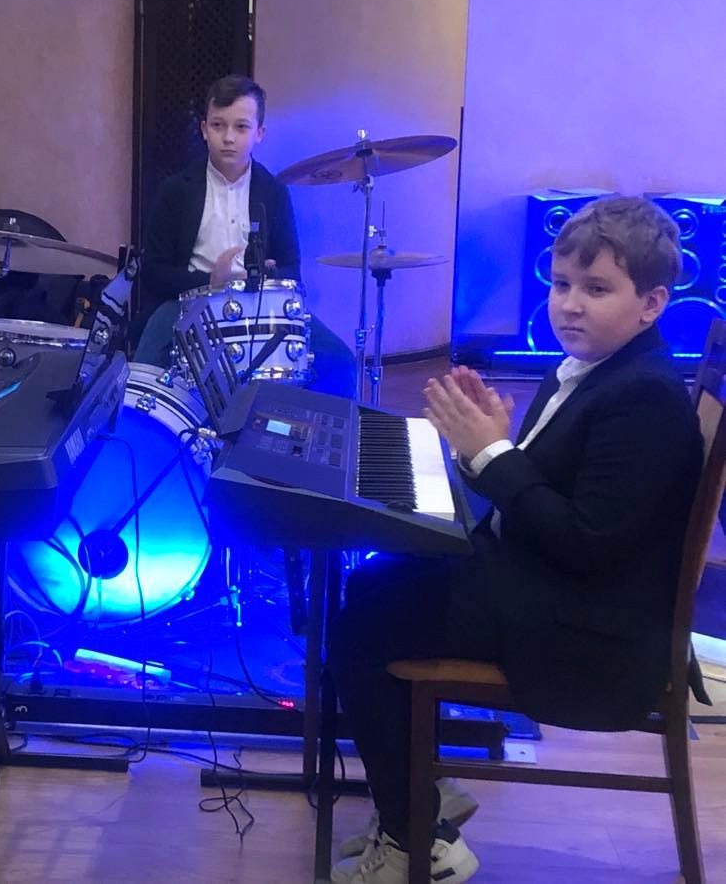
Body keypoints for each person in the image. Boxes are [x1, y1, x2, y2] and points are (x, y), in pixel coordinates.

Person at [327, 195, 702, 883]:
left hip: (589, 631)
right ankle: (418, 796)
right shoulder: (599, 370)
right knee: (370, 580)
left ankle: (417, 840)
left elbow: (585, 543)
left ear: (651, 304)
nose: (569, 305)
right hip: (549, 587)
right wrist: (490, 446)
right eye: (560, 284)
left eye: (596, 289)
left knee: (361, 627)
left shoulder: (644, 398)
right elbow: (545, 493)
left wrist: (494, 453)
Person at [131, 74, 355, 397]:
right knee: (144, 373)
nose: (228, 138)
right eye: (218, 125)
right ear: (203, 129)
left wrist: (266, 275)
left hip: (261, 304)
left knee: (340, 362)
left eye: (241, 127)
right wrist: (210, 280)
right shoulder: (176, 190)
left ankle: (309, 428)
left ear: (259, 133)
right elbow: (153, 272)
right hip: (191, 303)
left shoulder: (273, 191)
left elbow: (292, 270)